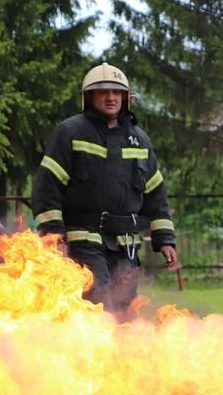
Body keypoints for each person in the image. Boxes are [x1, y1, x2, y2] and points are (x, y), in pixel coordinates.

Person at [31, 62, 178, 318]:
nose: (111, 97)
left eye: (116, 92)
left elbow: (156, 194)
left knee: (125, 313)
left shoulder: (139, 139)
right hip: (83, 241)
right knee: (98, 307)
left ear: (125, 97)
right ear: (89, 97)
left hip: (125, 246)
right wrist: (52, 237)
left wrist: (165, 239)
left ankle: (122, 359)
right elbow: (47, 187)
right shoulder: (70, 132)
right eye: (103, 92)